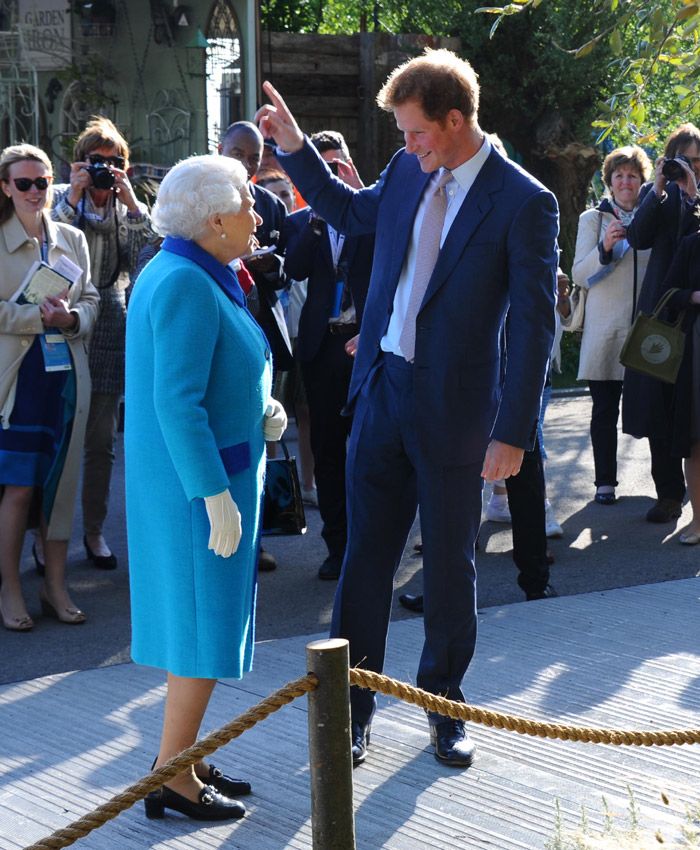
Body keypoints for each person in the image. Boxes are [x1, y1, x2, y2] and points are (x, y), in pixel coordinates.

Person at [256, 48, 558, 768]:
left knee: (451, 567)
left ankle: (444, 710)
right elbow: (341, 209)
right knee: (365, 560)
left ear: (455, 122)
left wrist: (513, 432)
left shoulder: (524, 201)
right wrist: (295, 150)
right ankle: (351, 713)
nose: (406, 146)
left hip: (457, 414)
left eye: (415, 132)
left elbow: (535, 326)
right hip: (382, 395)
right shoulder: (402, 172)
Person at [125, 154, 287, 820]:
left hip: (203, 483)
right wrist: (213, 493)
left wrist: (259, 407)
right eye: (248, 203)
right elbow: (177, 402)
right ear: (216, 219)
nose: (257, 214)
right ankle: (173, 776)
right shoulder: (186, 281)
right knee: (198, 635)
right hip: (200, 494)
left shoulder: (191, 269)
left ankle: (178, 756)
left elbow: (218, 372)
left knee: (197, 632)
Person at [0, 144, 98, 630]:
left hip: (66, 377)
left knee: (60, 486)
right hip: (17, 380)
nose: (34, 192)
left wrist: (73, 317)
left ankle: (55, 587)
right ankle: (11, 588)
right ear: (5, 187)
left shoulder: (72, 239)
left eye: (42, 182)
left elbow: (94, 298)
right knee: (18, 487)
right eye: (24, 183)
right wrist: (39, 320)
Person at [51, 116, 153, 570]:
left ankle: (93, 532)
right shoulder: (57, 198)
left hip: (110, 322)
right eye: (97, 161)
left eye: (114, 162)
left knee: (100, 441)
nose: (104, 170)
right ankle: (45, 534)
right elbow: (48, 250)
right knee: (52, 436)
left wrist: (130, 200)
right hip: (59, 318)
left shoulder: (126, 206)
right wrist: (73, 195)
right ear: (79, 162)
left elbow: (146, 257)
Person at [283, 130, 374, 580]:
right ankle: (337, 546)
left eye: (338, 167)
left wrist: (354, 199)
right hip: (321, 347)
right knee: (327, 448)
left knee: (370, 446)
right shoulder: (304, 220)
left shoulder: (372, 213)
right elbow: (293, 268)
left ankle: (371, 543)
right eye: (325, 169)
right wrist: (320, 216)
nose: (333, 176)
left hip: (364, 344)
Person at [220, 120, 292, 573]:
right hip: (218, 330)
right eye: (238, 153)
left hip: (259, 326)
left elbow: (289, 269)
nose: (246, 164)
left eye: (254, 157)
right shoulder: (198, 191)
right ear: (219, 148)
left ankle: (258, 535)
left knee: (260, 434)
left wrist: (267, 264)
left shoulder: (268, 203)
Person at [624, 124, 700, 523]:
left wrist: (694, 195)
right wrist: (657, 188)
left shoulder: (696, 197)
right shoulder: (662, 195)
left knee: (693, 404)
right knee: (657, 401)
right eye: (682, 160)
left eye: (696, 160)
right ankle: (669, 493)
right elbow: (637, 237)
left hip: (696, 312)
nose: (690, 167)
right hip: (661, 308)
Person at [570, 145, 652, 505]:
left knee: (656, 408)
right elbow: (579, 274)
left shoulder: (655, 218)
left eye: (632, 175)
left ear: (641, 181)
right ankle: (605, 482)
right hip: (605, 331)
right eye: (618, 175)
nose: (625, 181)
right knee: (604, 410)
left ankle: (665, 487)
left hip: (646, 331)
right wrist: (604, 246)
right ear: (609, 180)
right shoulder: (593, 219)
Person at [659, 232, 700, 543]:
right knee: (696, 442)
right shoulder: (691, 243)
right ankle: (699, 522)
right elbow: (668, 294)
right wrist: (694, 296)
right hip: (695, 352)